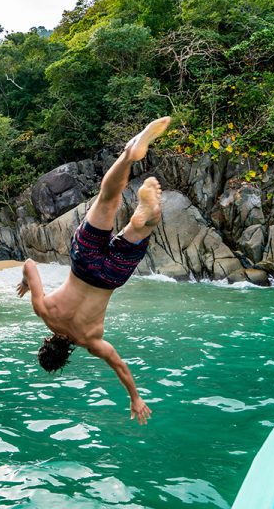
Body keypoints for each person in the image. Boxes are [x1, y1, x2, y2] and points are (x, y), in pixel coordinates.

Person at [16, 116, 169, 425]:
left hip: (110, 278)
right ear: (46, 343)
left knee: (143, 230)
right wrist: (24, 283)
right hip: (83, 263)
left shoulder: (90, 341)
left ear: (67, 354)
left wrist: (135, 398)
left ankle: (142, 222)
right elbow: (30, 264)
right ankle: (128, 154)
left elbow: (120, 366)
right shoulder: (44, 310)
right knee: (107, 198)